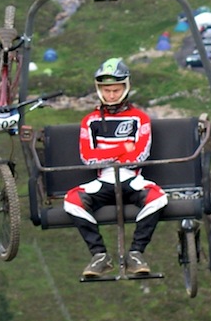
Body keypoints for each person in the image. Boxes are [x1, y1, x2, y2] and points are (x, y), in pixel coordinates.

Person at [65, 58, 166, 279]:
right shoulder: (90, 121)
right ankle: (99, 256)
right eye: (106, 90)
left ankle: (136, 253)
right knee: (71, 201)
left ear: (125, 88)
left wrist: (107, 154)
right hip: (104, 181)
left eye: (116, 90)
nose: (111, 95)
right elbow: (88, 158)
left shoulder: (140, 119)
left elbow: (139, 156)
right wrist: (122, 148)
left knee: (158, 198)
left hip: (131, 178)